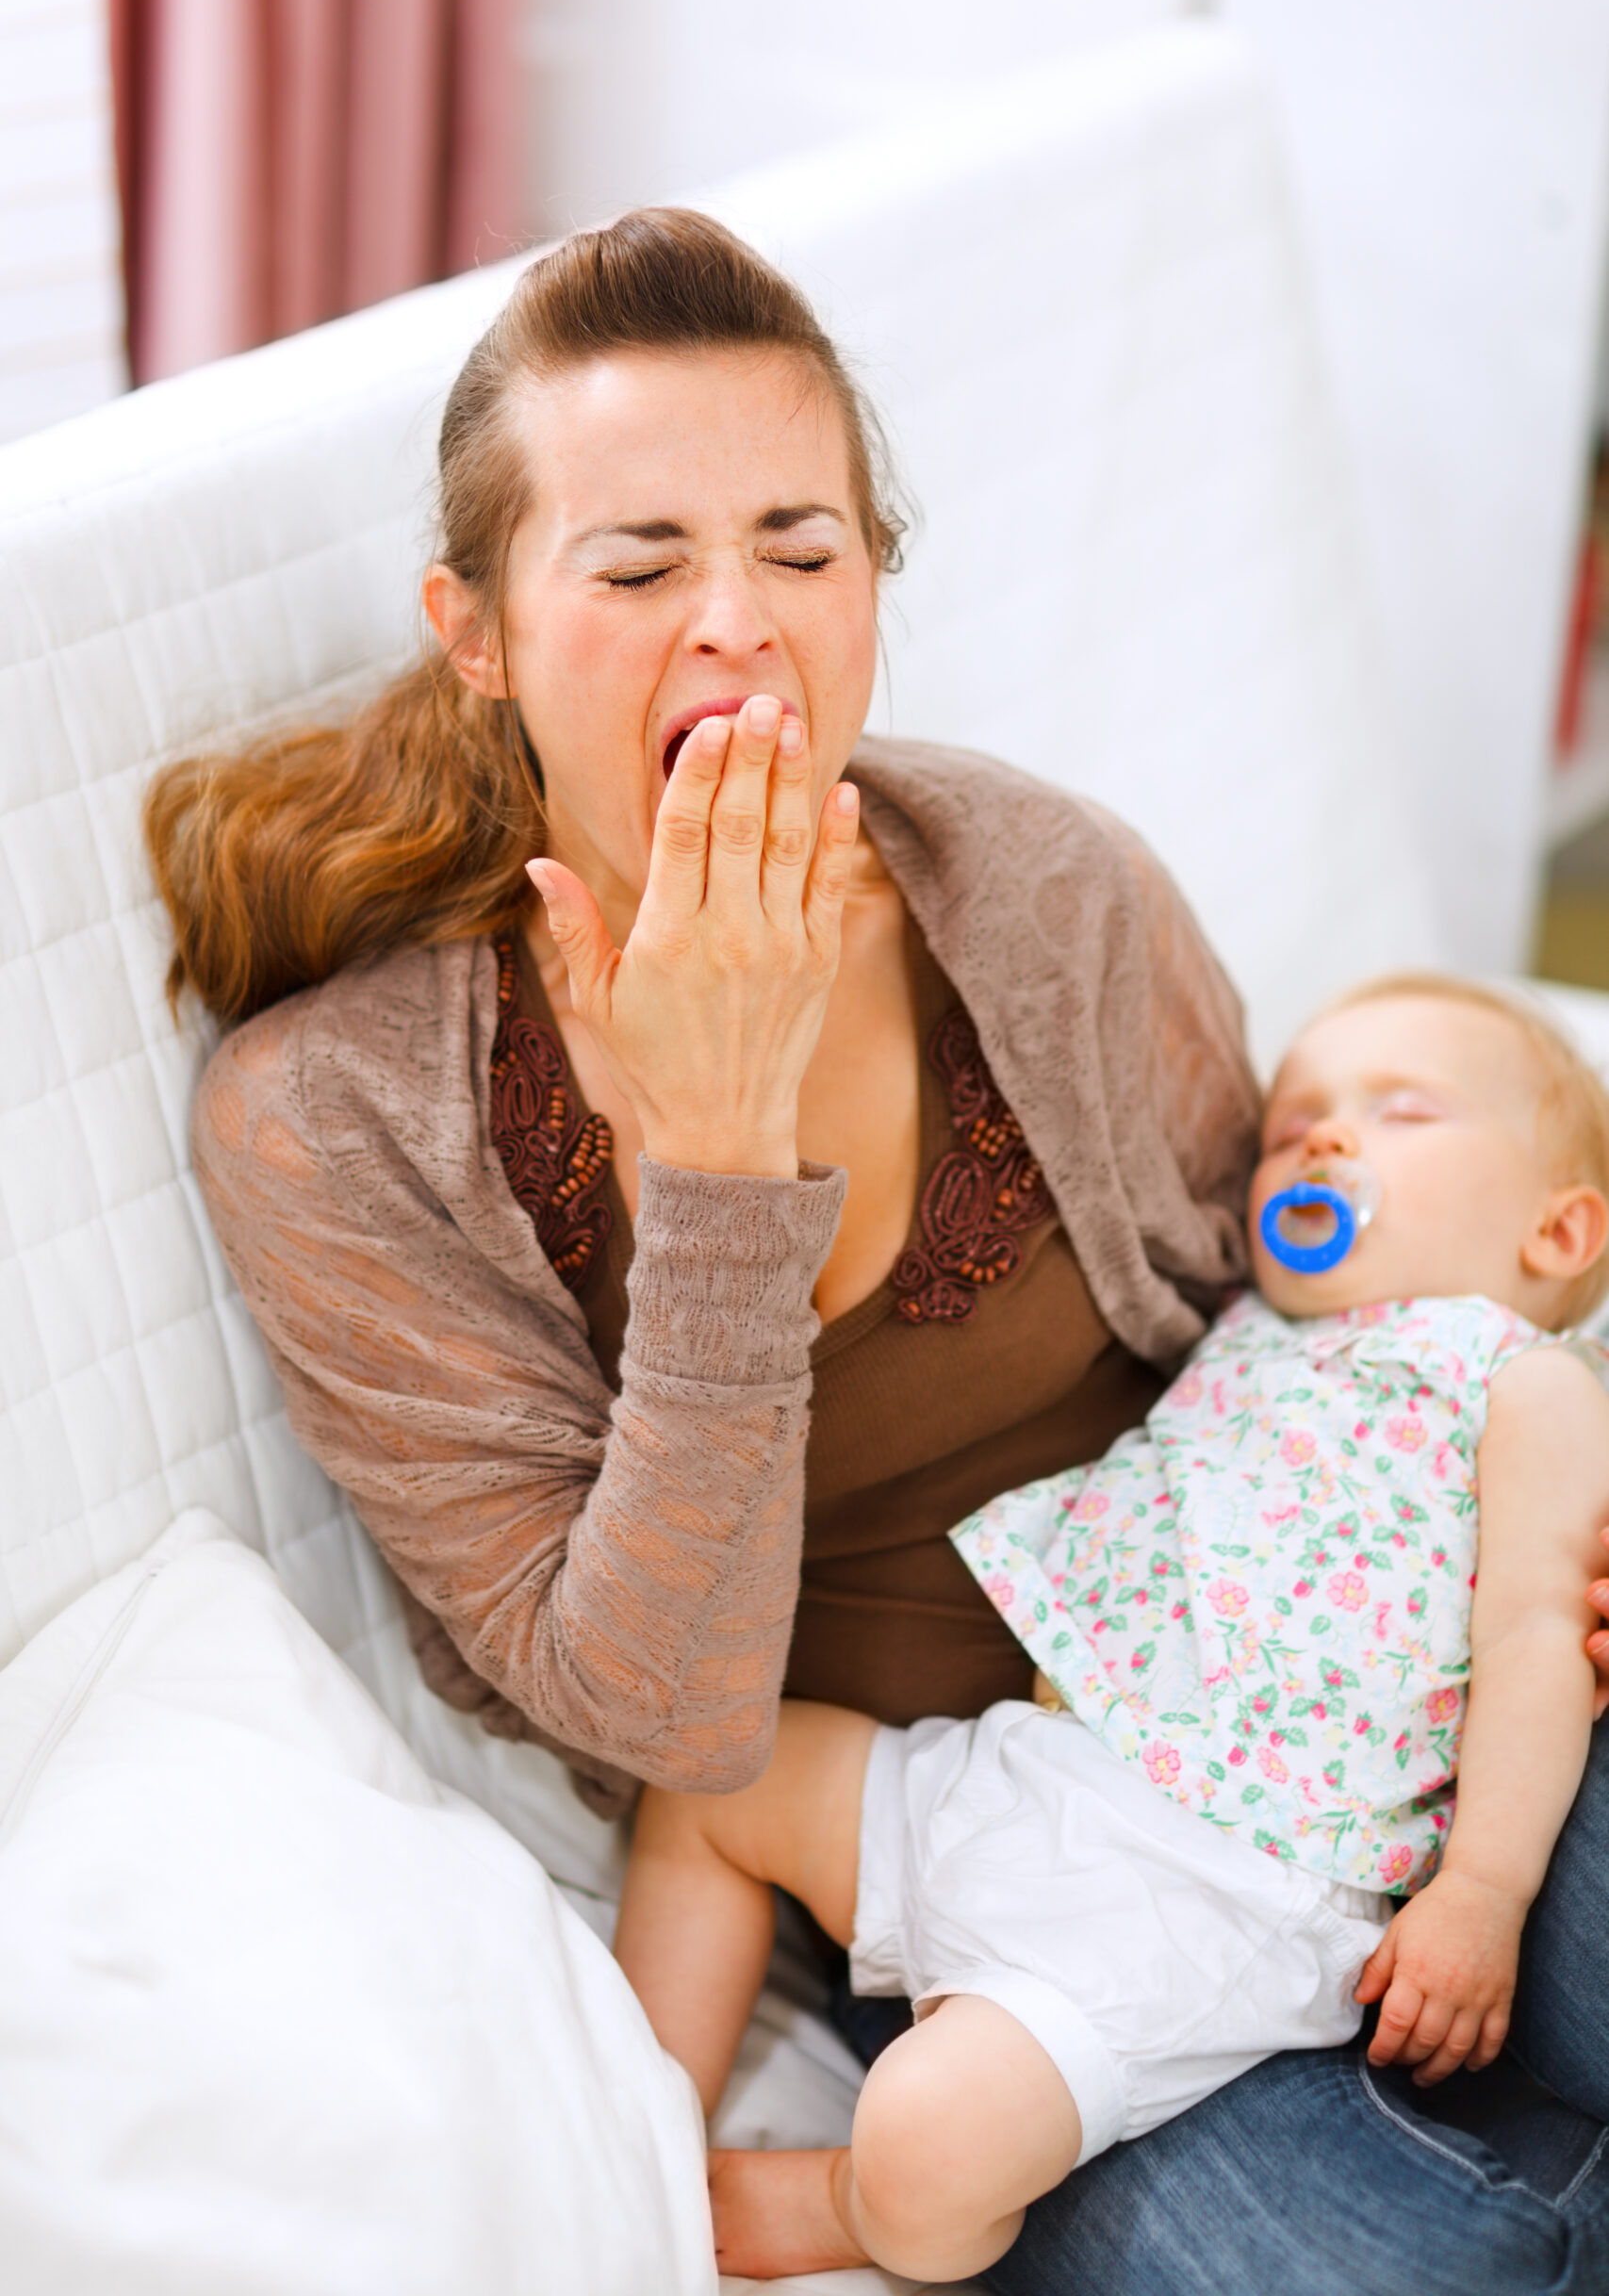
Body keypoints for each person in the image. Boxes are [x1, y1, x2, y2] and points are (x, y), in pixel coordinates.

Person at [143, 209, 1609, 2294]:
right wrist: (723, 1158)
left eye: (802, 548)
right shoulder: (336, 1118)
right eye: (637, 565)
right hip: (973, 1861)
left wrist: (1537, 1500)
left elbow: (1315, 1297)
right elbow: (657, 1715)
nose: (734, 624)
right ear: (473, 628)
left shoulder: (1036, 882)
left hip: (1353, 1710)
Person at [614, 977, 1609, 2283]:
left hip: (1220, 1879)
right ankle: (631, 2122)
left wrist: (1485, 1889)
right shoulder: (1250, 1325)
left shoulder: (1522, 1381)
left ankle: (855, 2205)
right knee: (716, 1779)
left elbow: (1541, 1632)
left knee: (926, 2140)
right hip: (1025, 1769)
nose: (1320, 1141)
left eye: (1402, 1112)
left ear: (1559, 1231)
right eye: (1296, 1124)